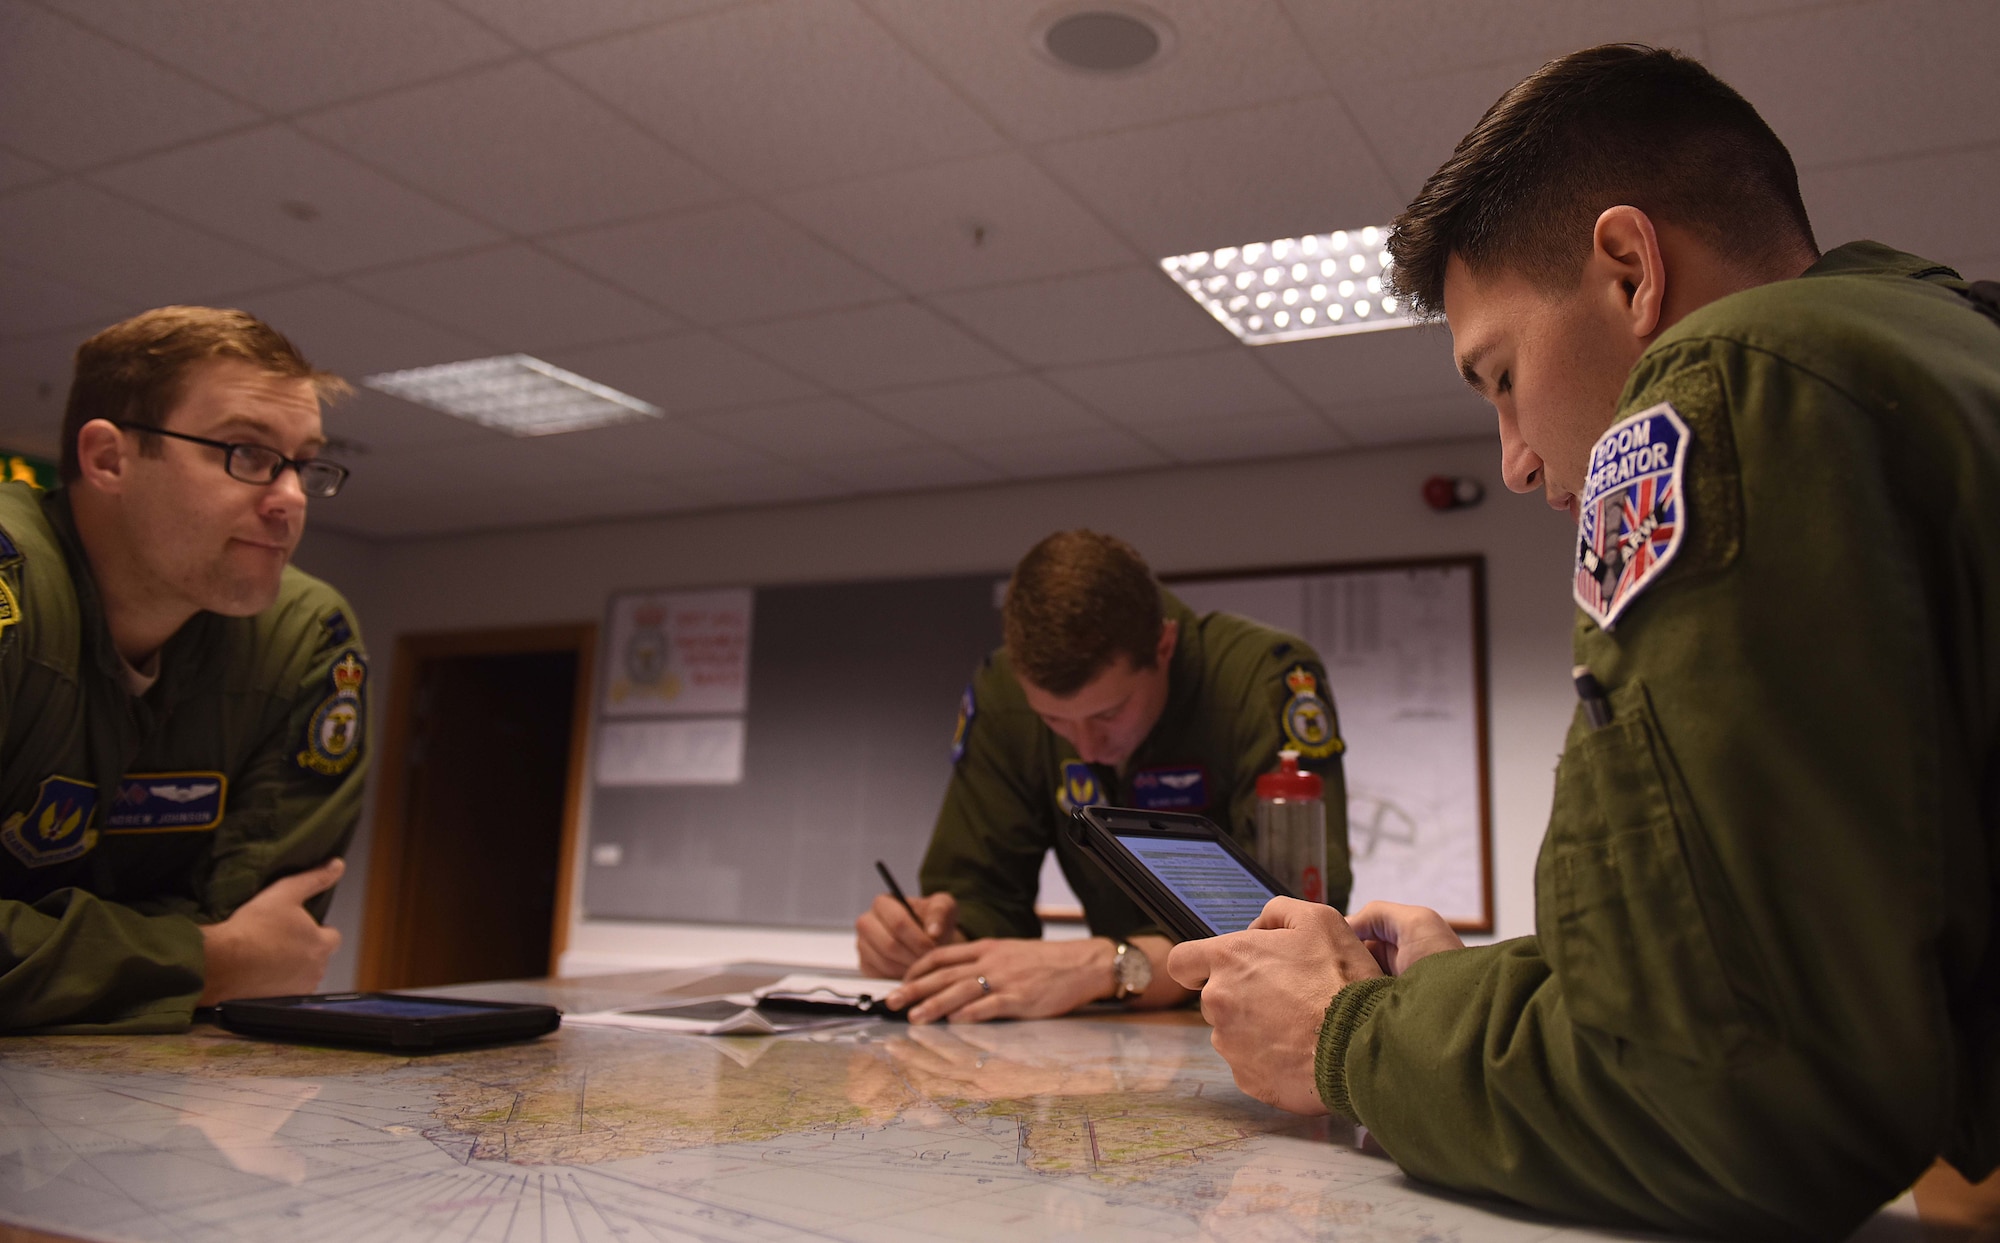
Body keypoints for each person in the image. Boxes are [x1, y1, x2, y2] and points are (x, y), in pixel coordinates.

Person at [1167, 43, 2000, 1242]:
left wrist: (1342, 1038)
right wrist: (1455, 992)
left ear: (1626, 270)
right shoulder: (1936, 347)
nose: (1511, 458)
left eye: (1500, 375)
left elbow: (1745, 1104)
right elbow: (1796, 965)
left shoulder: (1720, 384)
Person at [0, 306, 367, 1034]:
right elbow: (235, 954)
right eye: (247, 453)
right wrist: (205, 959)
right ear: (109, 459)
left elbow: (268, 937)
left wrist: (212, 958)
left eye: (304, 462)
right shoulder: (14, 588)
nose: (290, 497)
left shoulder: (304, 636)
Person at [856, 529, 1350, 1023]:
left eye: (1109, 715)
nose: (1086, 747)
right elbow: (983, 896)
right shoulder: (1001, 694)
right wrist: (942, 941)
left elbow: (1297, 932)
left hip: (1262, 1024)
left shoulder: (1260, 680)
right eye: (1053, 721)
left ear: (1164, 646)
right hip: (1115, 1033)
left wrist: (1110, 966)